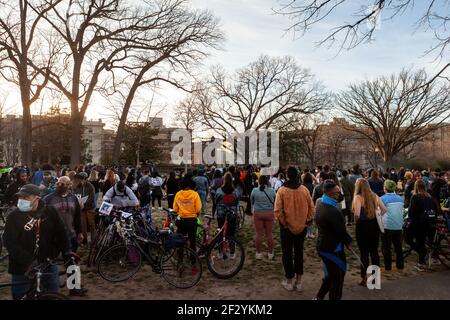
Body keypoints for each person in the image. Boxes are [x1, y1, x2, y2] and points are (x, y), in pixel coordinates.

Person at [3, 184, 73, 300]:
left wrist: (67, 251)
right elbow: (9, 242)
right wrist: (28, 261)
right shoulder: (13, 216)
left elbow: (62, 233)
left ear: (37, 198)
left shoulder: (50, 211)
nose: (21, 201)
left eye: (26, 198)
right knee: (21, 296)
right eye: (20, 198)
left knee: (51, 294)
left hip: (48, 263)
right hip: (22, 268)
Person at [274, 166, 314, 291]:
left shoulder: (282, 190)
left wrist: (284, 223)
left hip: (287, 228)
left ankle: (290, 281)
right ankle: (299, 281)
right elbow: (311, 208)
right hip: (301, 227)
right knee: (298, 252)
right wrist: (307, 220)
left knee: (287, 254)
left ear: (287, 176)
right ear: (297, 175)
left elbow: (277, 210)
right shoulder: (304, 190)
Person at [315, 180, 353, 300]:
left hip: (324, 245)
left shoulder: (320, 202)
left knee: (332, 276)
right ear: (331, 194)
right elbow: (341, 230)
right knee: (338, 277)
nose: (339, 195)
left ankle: (319, 297)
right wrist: (348, 241)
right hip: (331, 248)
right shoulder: (332, 210)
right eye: (337, 193)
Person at [353, 178, 386, 286]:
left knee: (364, 253)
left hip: (362, 227)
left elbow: (357, 214)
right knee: (374, 252)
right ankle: (375, 279)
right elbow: (384, 209)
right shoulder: (375, 196)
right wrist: (376, 214)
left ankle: (364, 278)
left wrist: (356, 219)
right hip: (374, 226)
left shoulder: (358, 197)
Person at [406, 180, 440, 271]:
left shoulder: (415, 197)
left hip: (418, 222)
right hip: (429, 222)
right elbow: (436, 209)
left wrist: (409, 220)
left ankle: (422, 259)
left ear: (416, 187)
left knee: (409, 239)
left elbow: (411, 211)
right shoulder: (429, 197)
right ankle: (423, 257)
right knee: (421, 242)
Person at [44, 176, 83, 252]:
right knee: (53, 260)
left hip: (71, 235)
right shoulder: (48, 199)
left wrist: (79, 232)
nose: (59, 186)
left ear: (69, 185)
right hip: (54, 237)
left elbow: (77, 217)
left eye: (62, 184)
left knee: (71, 260)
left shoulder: (73, 198)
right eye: (57, 183)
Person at [173, 175, 202, 255]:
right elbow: (198, 209)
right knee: (192, 241)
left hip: (181, 220)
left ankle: (180, 259)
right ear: (191, 185)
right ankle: (193, 259)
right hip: (192, 221)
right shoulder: (195, 194)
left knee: (180, 241)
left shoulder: (178, 194)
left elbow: (175, 209)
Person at [380, 179, 404, 271]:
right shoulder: (400, 198)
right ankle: (400, 265)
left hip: (387, 226)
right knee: (398, 247)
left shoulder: (382, 198)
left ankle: (388, 266)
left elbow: (379, 212)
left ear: (385, 188)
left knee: (386, 247)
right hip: (398, 225)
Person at [250, 175, 276, 260]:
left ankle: (258, 253)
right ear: (267, 182)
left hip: (258, 213)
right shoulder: (272, 191)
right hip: (269, 213)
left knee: (258, 234)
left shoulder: (254, 190)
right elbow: (275, 202)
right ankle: (270, 253)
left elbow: (252, 201)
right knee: (269, 233)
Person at [215, 172, 241, 249]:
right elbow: (237, 202)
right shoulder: (236, 192)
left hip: (220, 213)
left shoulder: (219, 191)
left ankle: (220, 250)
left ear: (224, 180)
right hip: (232, 214)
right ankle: (232, 251)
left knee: (220, 231)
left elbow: (216, 201)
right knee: (231, 233)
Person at [72, 172, 96, 246]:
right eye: (80, 179)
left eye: (82, 179)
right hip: (81, 209)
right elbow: (74, 195)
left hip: (90, 208)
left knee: (92, 224)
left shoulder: (90, 186)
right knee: (83, 225)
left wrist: (84, 203)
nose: (81, 181)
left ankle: (93, 240)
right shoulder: (76, 186)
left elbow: (92, 197)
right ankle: (84, 240)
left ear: (85, 179)